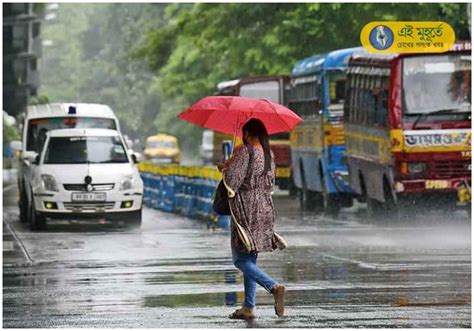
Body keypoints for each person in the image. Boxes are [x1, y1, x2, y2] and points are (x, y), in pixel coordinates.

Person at [218, 118, 287, 320]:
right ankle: (249, 306)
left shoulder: (245, 152)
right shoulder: (268, 154)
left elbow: (233, 182)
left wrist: (225, 167)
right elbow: (270, 182)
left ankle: (273, 287)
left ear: (247, 133)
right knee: (250, 258)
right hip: (264, 208)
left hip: (245, 209)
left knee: (240, 259)